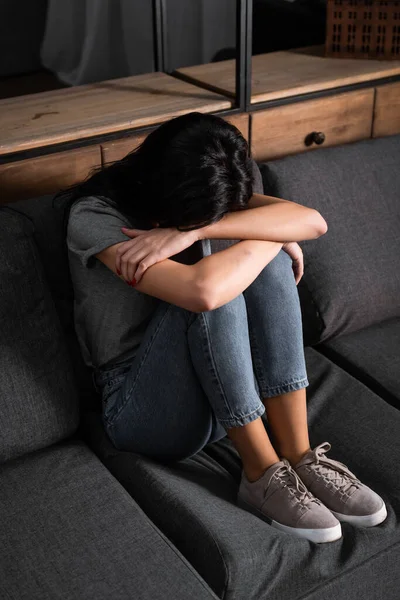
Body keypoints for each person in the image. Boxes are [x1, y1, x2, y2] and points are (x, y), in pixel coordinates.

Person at [57, 111, 387, 544]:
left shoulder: (219, 179)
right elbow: (204, 294)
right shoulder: (95, 215)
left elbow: (313, 222)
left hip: (229, 391)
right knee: (231, 277)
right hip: (145, 411)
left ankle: (300, 456)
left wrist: (191, 234)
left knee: (265, 265)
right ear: (159, 185)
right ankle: (261, 474)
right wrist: (270, 238)